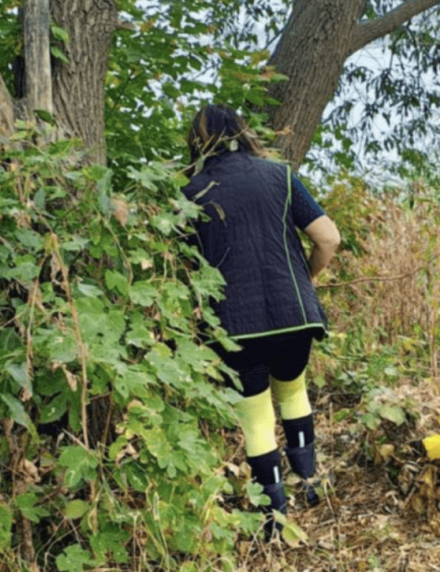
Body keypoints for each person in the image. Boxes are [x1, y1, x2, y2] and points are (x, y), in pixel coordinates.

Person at [181, 104, 340, 533]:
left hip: (233, 326)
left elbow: (184, 267)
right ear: (243, 131)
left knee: (254, 415)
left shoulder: (191, 193)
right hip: (294, 316)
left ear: (198, 140)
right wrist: (305, 279)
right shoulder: (280, 176)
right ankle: (309, 481)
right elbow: (328, 237)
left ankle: (275, 510)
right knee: (291, 391)